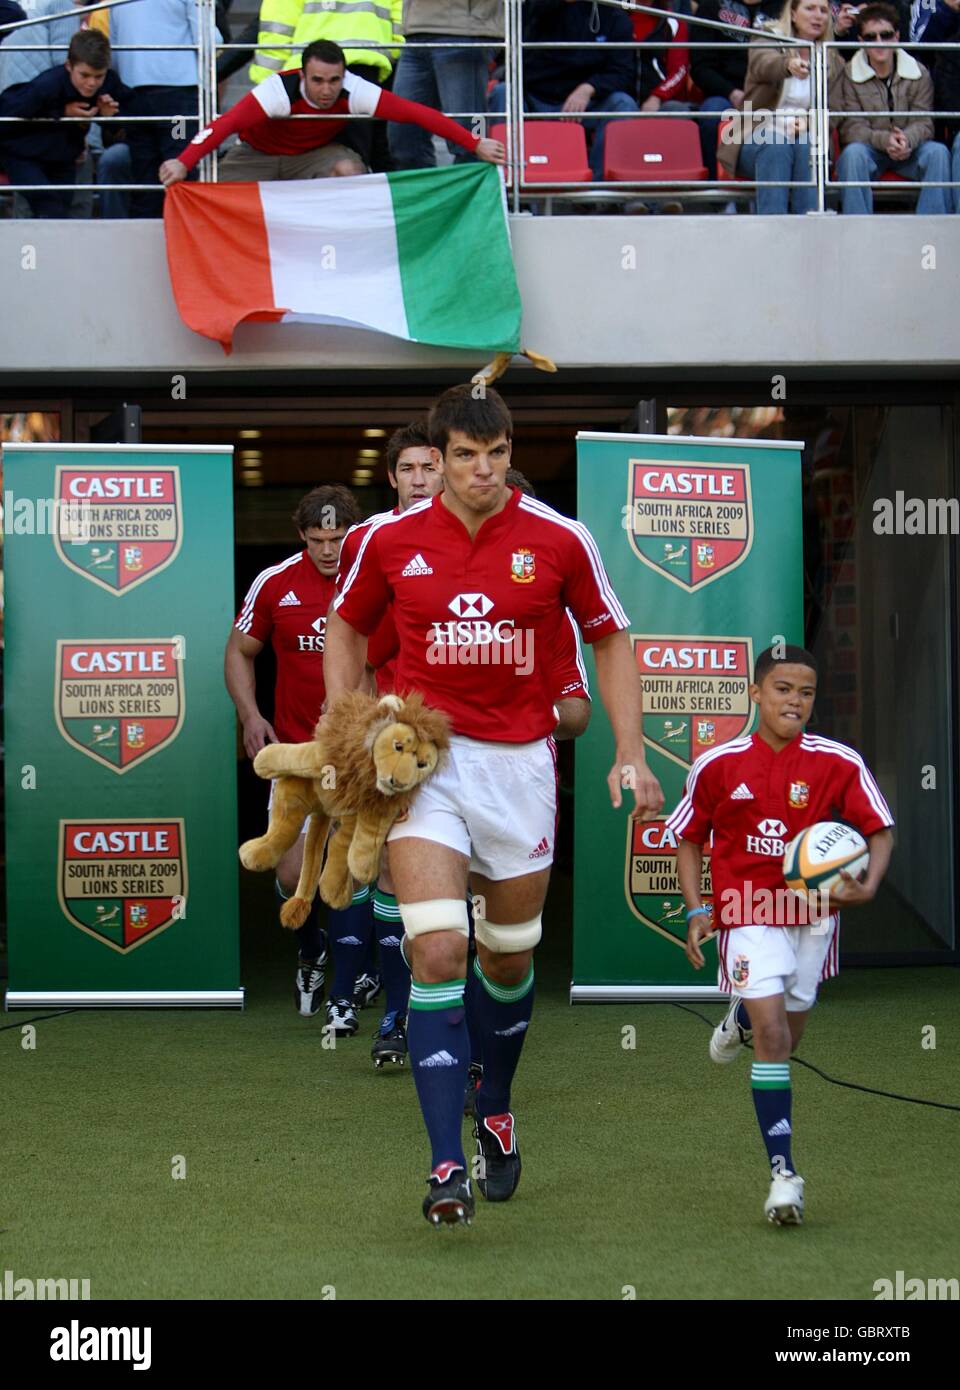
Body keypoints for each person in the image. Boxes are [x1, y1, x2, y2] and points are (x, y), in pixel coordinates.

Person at [325, 384, 663, 1227]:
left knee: (508, 958)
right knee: (436, 950)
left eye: (499, 454)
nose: (485, 471)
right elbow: (348, 629)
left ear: (512, 452)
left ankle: (496, 1103)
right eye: (467, 456)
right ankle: (444, 1166)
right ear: (435, 459)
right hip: (426, 764)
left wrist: (630, 748)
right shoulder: (389, 540)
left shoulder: (559, 538)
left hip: (521, 768)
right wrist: (350, 727)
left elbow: (611, 638)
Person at [668, 644, 894, 1226]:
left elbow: (879, 828)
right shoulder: (717, 764)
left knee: (787, 1033)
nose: (795, 701)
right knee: (773, 1037)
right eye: (783, 689)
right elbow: (689, 836)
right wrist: (698, 910)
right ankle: (784, 1175)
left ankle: (738, 1018)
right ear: (756, 693)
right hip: (748, 912)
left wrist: (867, 885)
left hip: (814, 919)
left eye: (806, 692)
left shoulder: (838, 762)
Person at [226, 483, 377, 1031]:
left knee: (354, 869)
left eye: (337, 538)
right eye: (318, 540)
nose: (330, 550)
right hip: (295, 751)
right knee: (293, 874)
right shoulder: (275, 582)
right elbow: (240, 650)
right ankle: (312, 952)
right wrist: (249, 716)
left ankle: (351, 983)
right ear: (302, 536)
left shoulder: (378, 574)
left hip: (358, 756)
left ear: (353, 532)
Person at [334, 421, 445, 1067]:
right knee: (387, 871)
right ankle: (395, 1016)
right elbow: (355, 634)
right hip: (396, 737)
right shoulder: (372, 541)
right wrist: (358, 728)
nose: (421, 478)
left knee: (458, 887)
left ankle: (457, 1018)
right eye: (409, 468)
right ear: (394, 477)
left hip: (466, 739)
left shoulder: (478, 539)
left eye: (431, 466)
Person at [160, 38, 504, 186]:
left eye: (334, 80)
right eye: (318, 81)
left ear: (343, 76)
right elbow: (223, 126)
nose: (326, 90)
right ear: (303, 75)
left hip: (311, 156)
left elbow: (418, 113)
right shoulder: (277, 91)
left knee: (352, 170)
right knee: (207, 190)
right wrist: (183, 161)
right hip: (257, 154)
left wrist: (474, 143)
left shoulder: (355, 90)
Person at [487, 0, 639, 182]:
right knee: (502, 93)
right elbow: (513, 60)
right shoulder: (532, 10)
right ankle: (509, 187)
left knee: (623, 103)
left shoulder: (614, 16)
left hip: (588, 105)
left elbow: (622, 71)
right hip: (534, 100)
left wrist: (589, 88)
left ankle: (600, 192)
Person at [718, 0, 845, 214]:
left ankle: (808, 225)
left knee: (809, 143)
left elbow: (837, 110)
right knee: (776, 144)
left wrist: (809, 122)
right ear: (793, 14)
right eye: (810, 8)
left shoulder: (833, 59)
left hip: (804, 135)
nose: (819, 16)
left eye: (824, 10)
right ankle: (773, 230)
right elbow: (762, 64)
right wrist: (787, 64)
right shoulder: (767, 36)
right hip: (756, 134)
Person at [837, 3, 950, 214]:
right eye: (871, 37)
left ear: (897, 36)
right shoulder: (848, 73)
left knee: (938, 153)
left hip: (911, 149)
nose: (879, 42)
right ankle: (856, 232)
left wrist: (906, 139)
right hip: (870, 150)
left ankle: (930, 232)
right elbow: (850, 128)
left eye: (886, 35)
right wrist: (885, 140)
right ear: (861, 41)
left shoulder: (919, 71)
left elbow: (924, 121)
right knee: (852, 155)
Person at [0, 28, 126, 218]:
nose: (92, 83)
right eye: (85, 75)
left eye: (98, 76)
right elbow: (10, 116)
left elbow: (128, 119)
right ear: (69, 66)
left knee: (62, 208)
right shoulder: (46, 86)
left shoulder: (107, 83)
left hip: (63, 153)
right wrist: (61, 112)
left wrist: (106, 117)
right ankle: (29, 248)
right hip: (22, 151)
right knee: (46, 206)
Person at [108, 0, 200, 217]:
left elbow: (114, 52)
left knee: (144, 173)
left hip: (134, 95)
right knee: (180, 163)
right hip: (177, 94)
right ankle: (184, 235)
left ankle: (144, 238)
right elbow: (209, 39)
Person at [388, 0, 500, 170]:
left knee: (472, 142)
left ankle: (470, 194)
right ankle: (423, 195)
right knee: (404, 139)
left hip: (466, 31)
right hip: (415, 33)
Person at [689, 0, 781, 182]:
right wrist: (731, 92)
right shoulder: (711, 6)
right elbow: (700, 67)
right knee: (711, 115)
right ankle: (719, 196)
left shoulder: (784, 7)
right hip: (725, 95)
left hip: (771, 96)